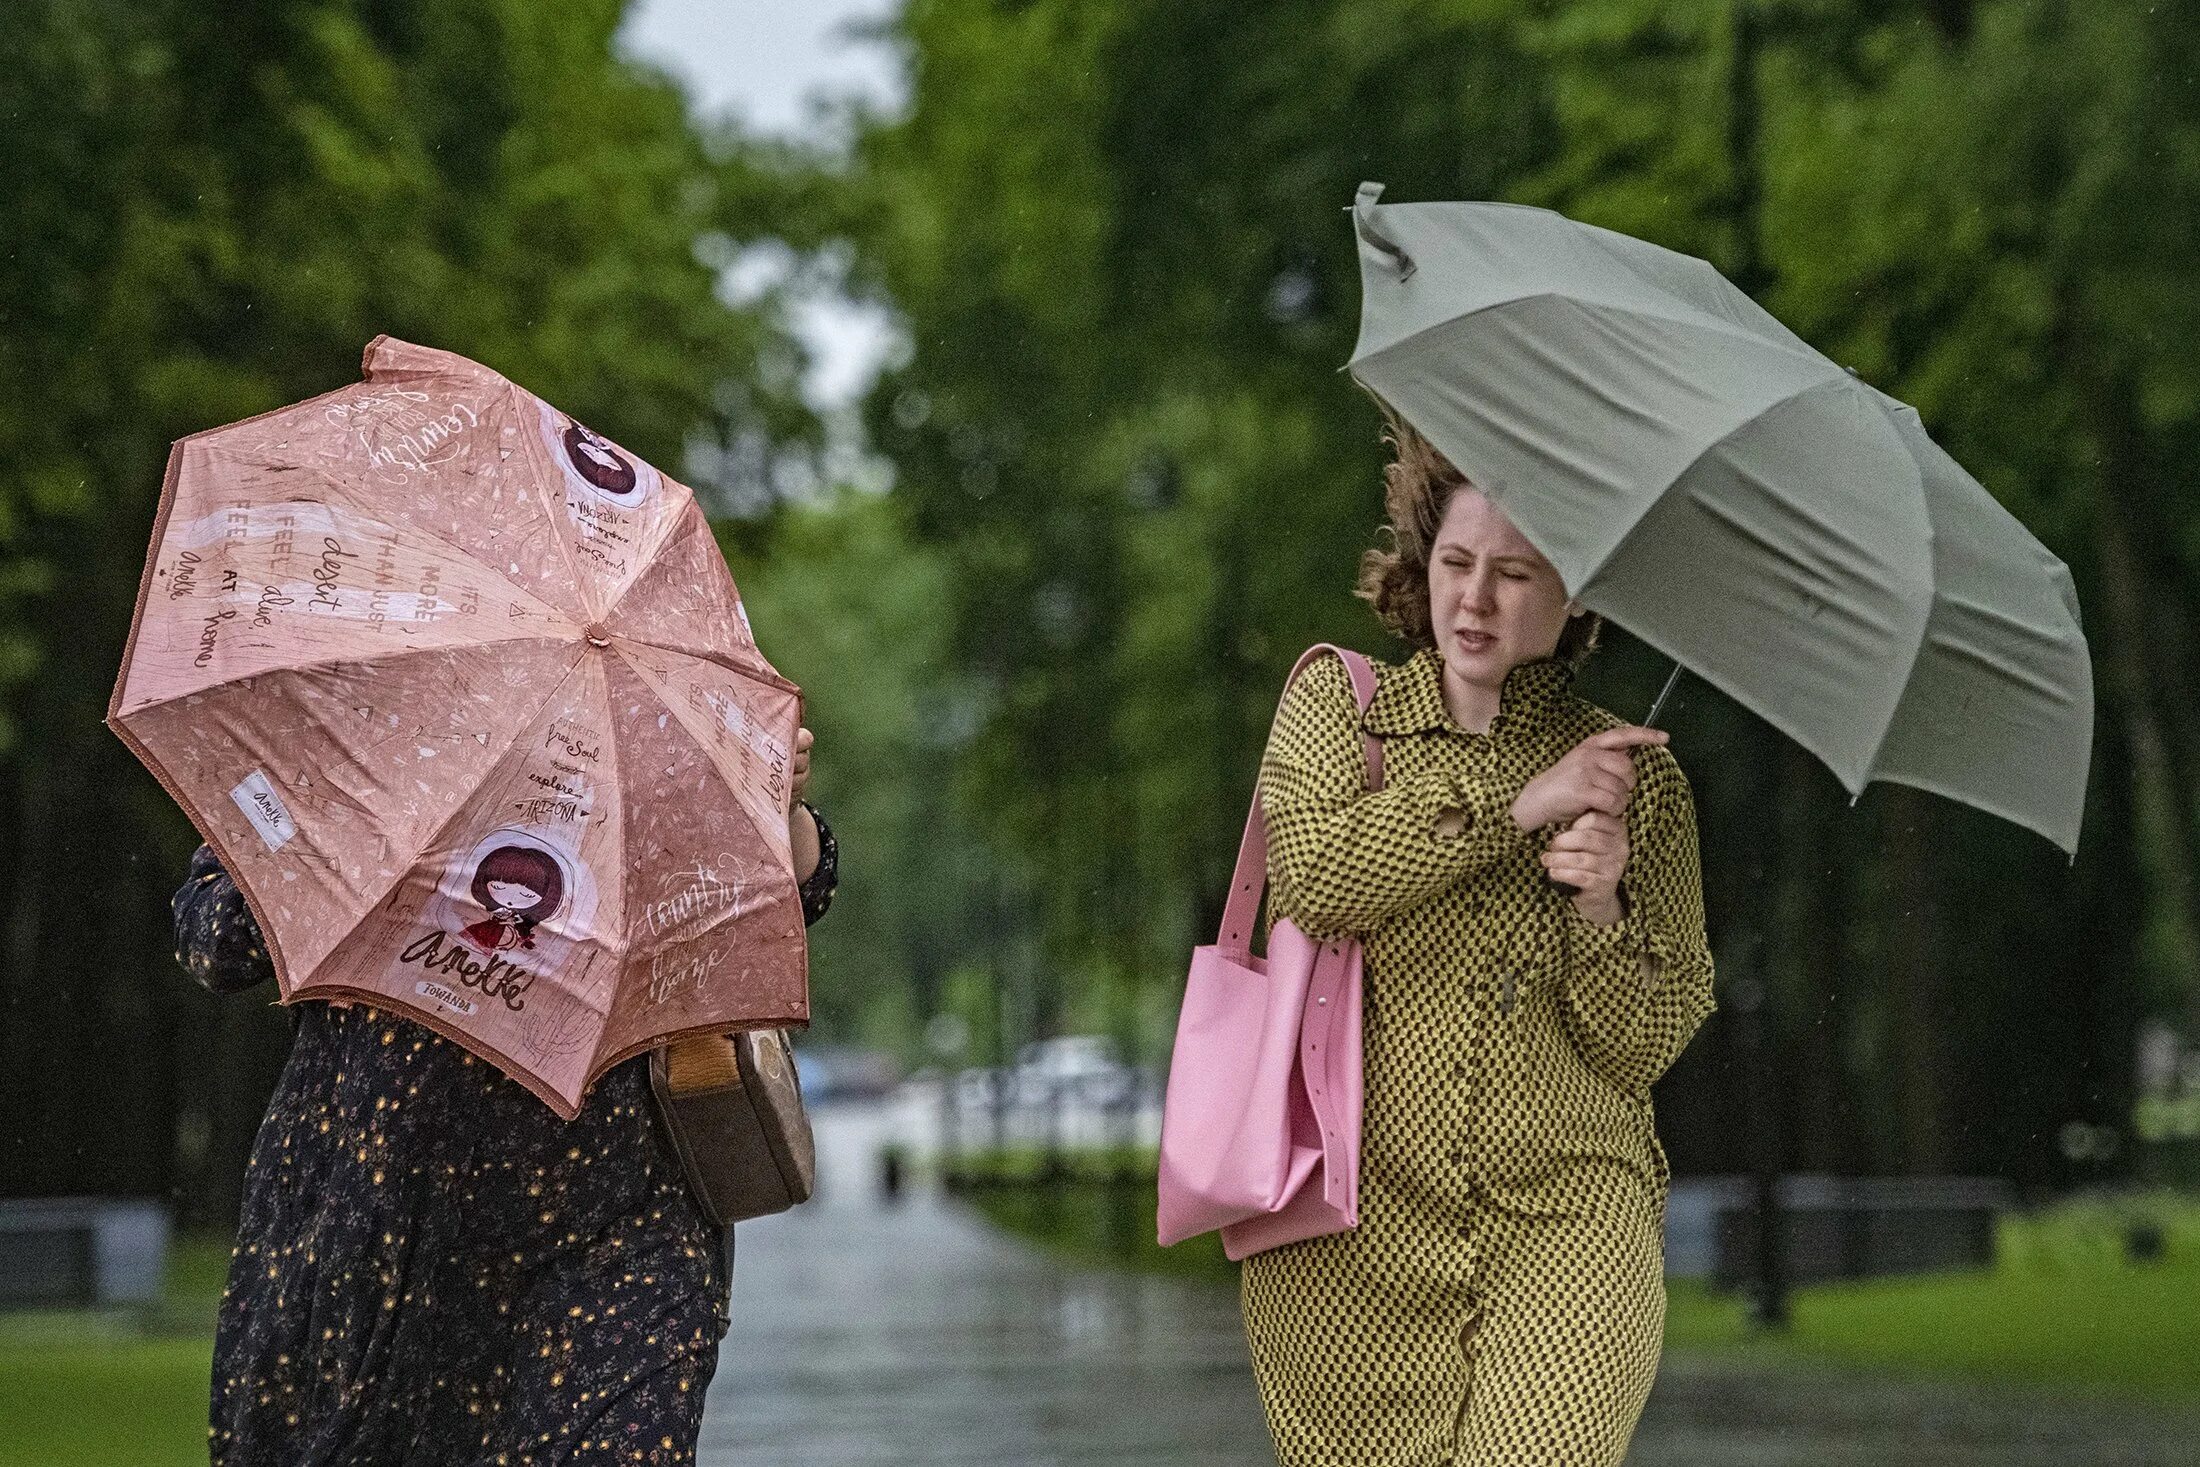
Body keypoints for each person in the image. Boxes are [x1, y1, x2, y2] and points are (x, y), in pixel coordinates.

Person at [1239, 418, 1716, 1466]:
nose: (1473, 599)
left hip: (1571, 1225)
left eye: (1514, 573)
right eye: (1455, 563)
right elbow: (1315, 882)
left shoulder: (1645, 787)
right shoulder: (1335, 708)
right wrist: (1519, 800)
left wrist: (1596, 906)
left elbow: (1644, 1043)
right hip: (1346, 1236)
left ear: (1578, 592)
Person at [173, 730, 837, 1466]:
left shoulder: (642, 710)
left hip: (617, 1233)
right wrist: (355, 831)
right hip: (383, 1237)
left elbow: (787, 904)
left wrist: (780, 800)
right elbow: (215, 937)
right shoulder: (347, 728)